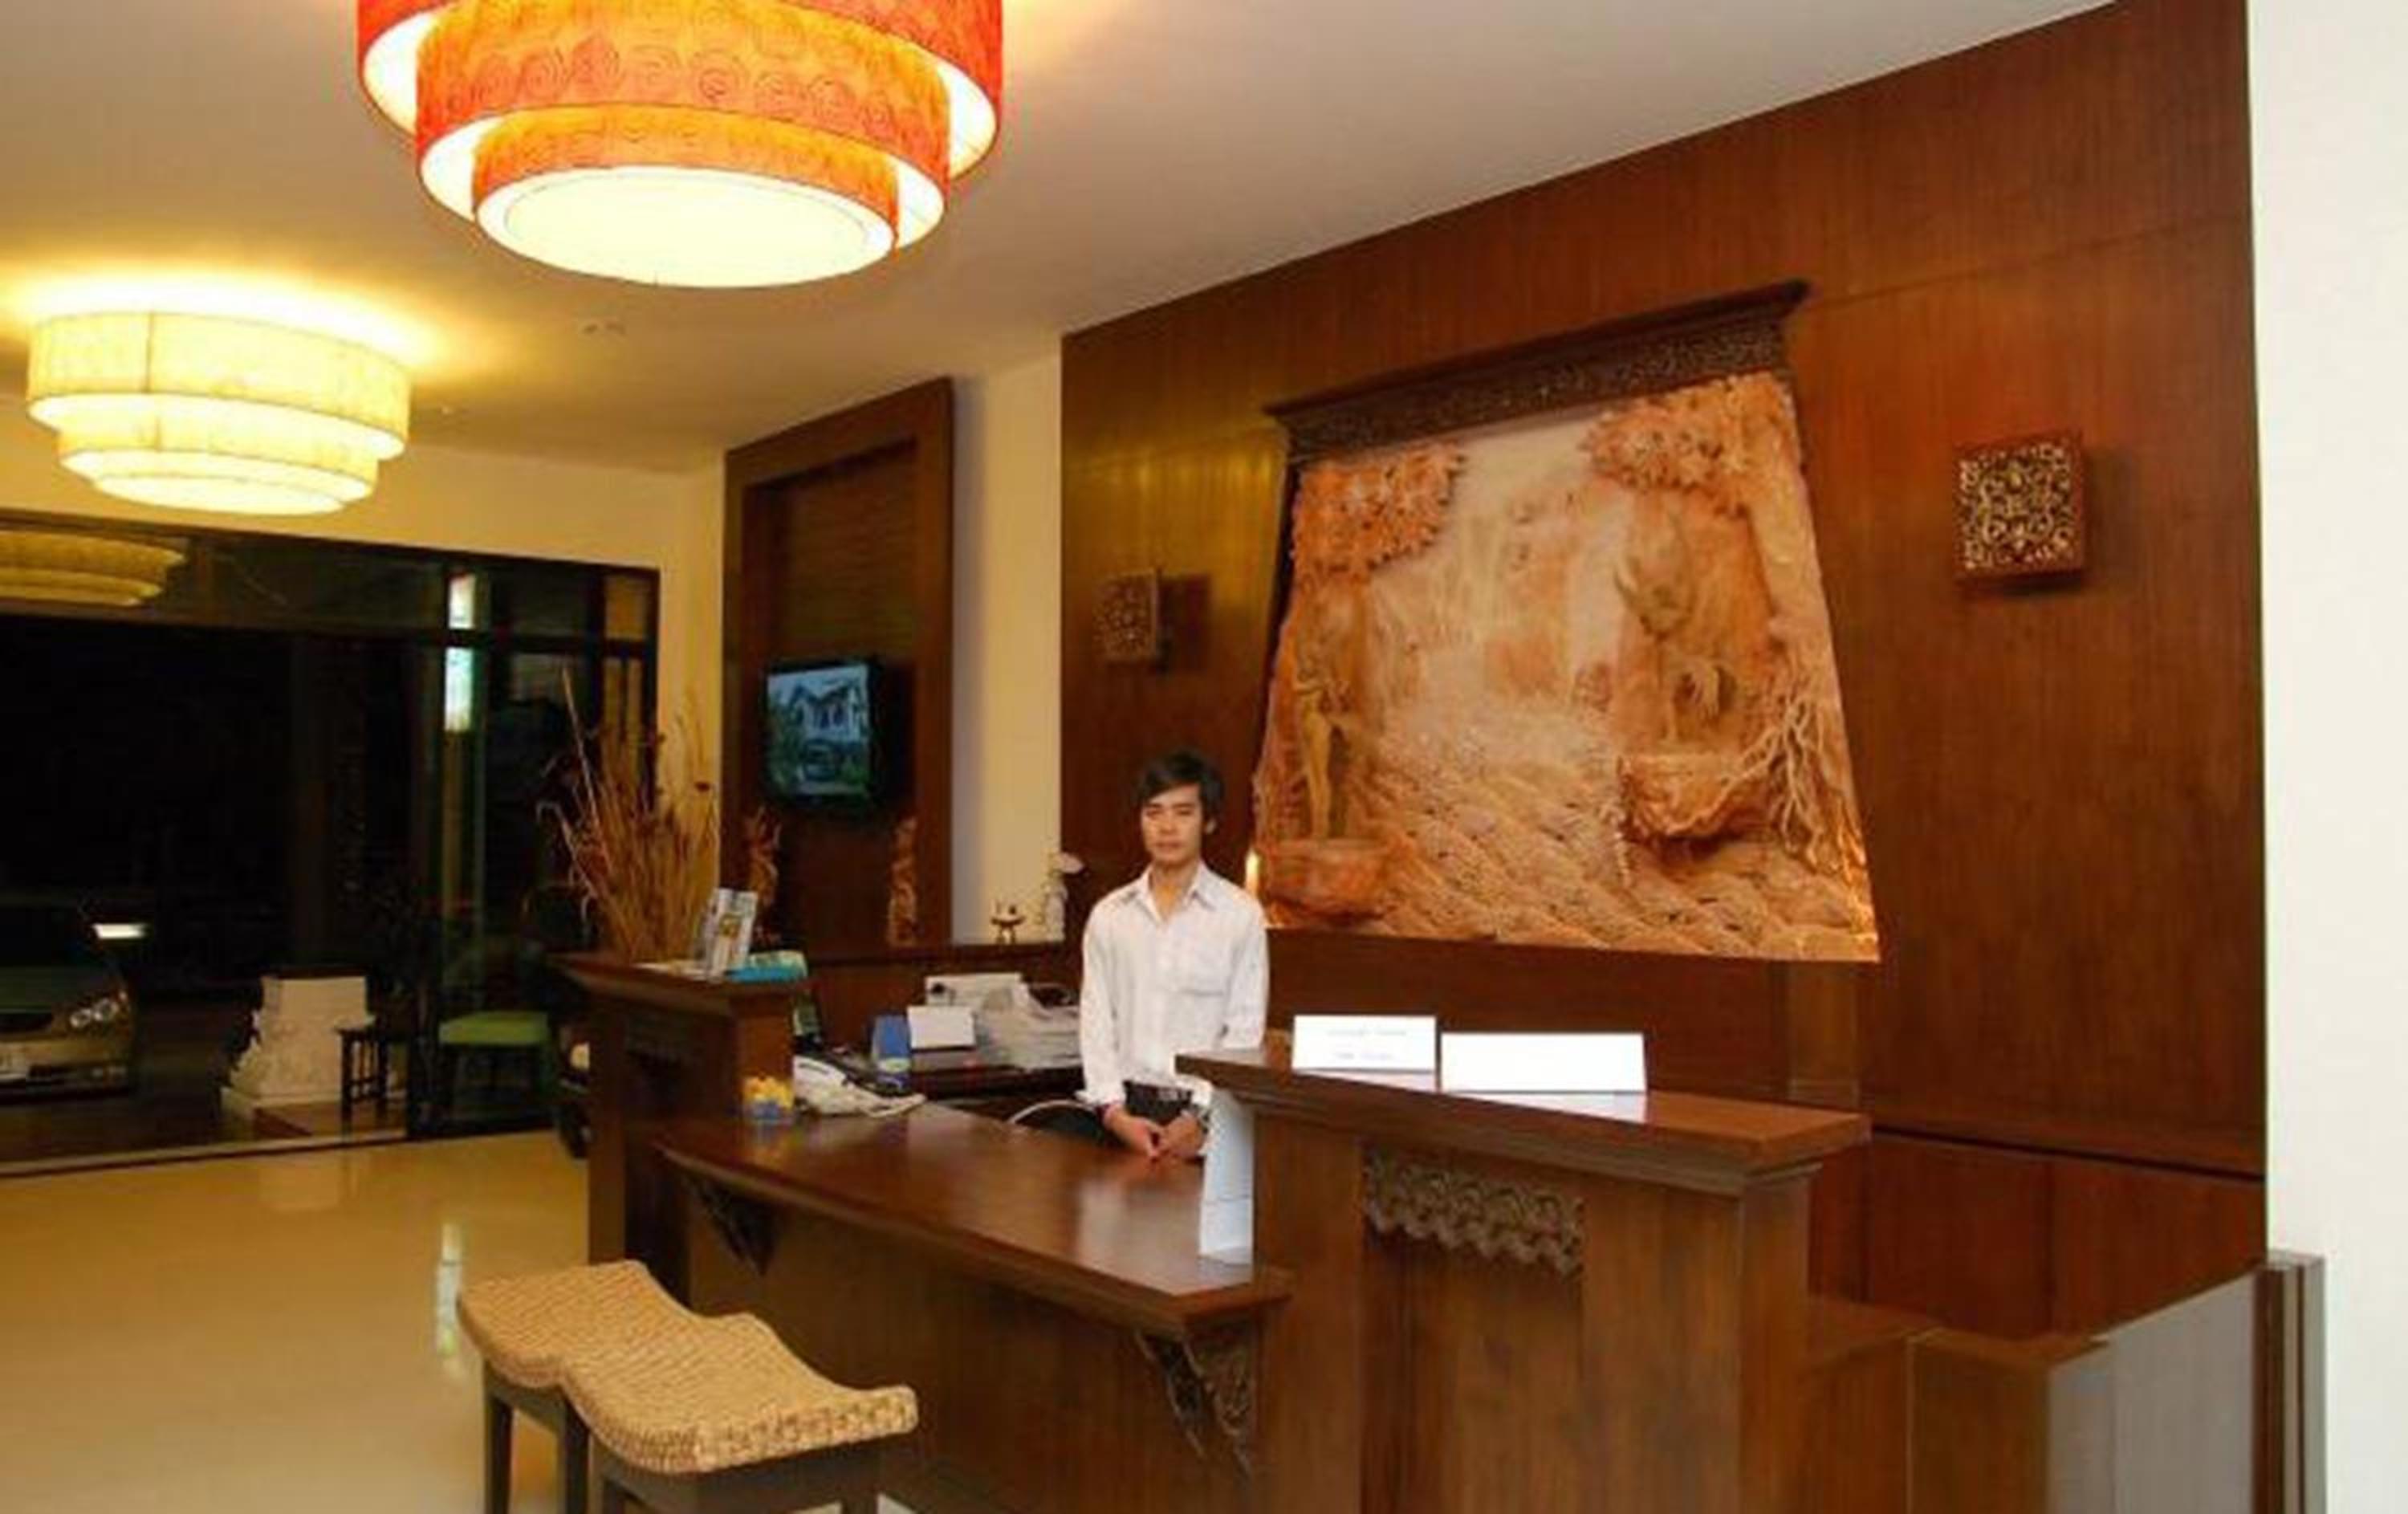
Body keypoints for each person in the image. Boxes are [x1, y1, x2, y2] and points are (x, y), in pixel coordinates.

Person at [1073, 749, 1267, 1161]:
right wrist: (1113, 1113)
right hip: (1122, 1116)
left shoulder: (1240, 915)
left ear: (1208, 821)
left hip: (1206, 1119)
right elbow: (1096, 1021)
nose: (1167, 827)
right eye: (1153, 813)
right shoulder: (1110, 915)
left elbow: (1244, 1032)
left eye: (1183, 812)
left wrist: (1201, 1119)